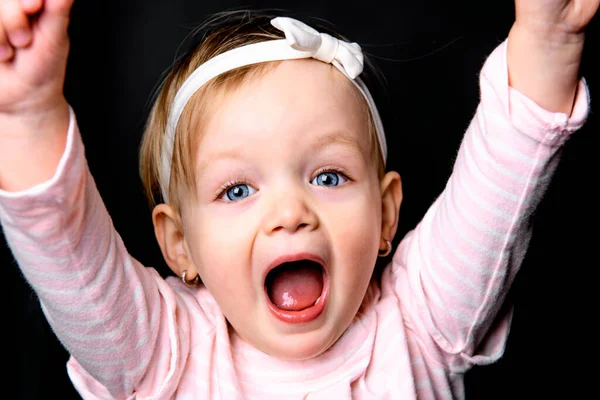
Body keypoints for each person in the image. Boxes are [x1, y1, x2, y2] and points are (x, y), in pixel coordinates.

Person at [0, 0, 596, 398]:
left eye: (329, 177)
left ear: (386, 213)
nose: (290, 214)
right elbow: (72, 258)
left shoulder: (419, 322)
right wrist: (27, 116)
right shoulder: (165, 354)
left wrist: (547, 41)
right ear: (180, 244)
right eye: (237, 190)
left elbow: (500, 181)